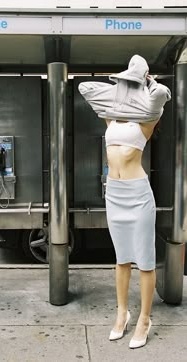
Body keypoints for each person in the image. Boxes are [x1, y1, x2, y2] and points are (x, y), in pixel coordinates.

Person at [78, 55, 171, 349]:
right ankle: (122, 314)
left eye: (132, 84)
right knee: (121, 260)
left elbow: (161, 95)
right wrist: (118, 86)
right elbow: (85, 88)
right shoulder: (111, 114)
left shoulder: (148, 118)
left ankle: (145, 318)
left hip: (138, 193)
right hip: (114, 193)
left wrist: (147, 82)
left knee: (144, 261)